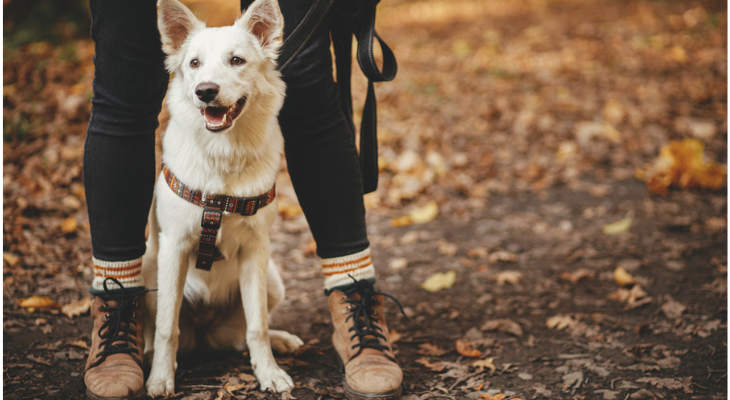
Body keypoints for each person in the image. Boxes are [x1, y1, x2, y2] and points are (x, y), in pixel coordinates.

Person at [82, 0, 403, 399]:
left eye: (234, 60)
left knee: (306, 78)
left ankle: (352, 295)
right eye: (196, 67)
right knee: (123, 78)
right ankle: (118, 309)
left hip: (237, 276)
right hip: (173, 277)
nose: (206, 83)